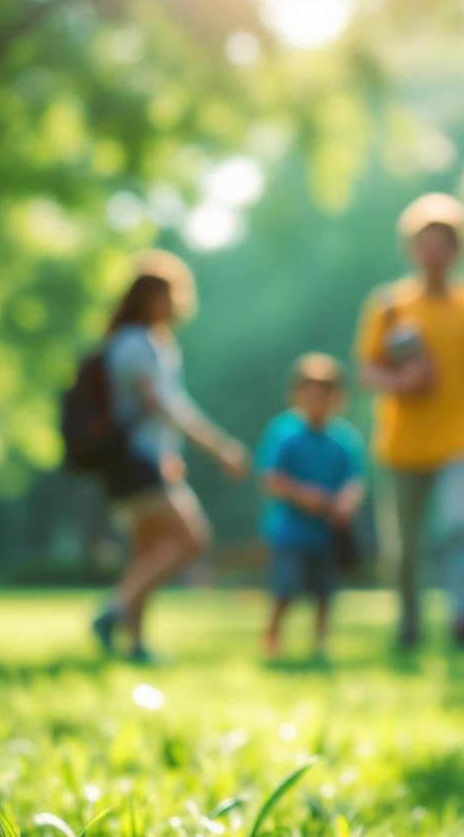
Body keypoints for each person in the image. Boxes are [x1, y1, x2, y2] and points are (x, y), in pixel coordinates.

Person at [354, 193, 464, 649]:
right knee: (402, 550)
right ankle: (408, 627)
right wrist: (402, 379)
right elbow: (366, 370)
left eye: (442, 242)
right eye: (424, 241)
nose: (432, 251)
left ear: (457, 248)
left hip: (459, 441)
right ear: (411, 247)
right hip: (401, 444)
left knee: (460, 527)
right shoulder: (388, 306)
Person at [91, 250, 249, 662]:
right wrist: (218, 447)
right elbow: (162, 406)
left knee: (150, 553)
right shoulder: (136, 345)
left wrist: (170, 451)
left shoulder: (154, 344)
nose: (170, 304)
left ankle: (137, 643)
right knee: (192, 538)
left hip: (148, 460)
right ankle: (113, 610)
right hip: (135, 463)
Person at [256, 353, 367, 659]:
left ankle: (320, 641)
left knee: (325, 592)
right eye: (309, 392)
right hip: (291, 532)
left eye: (324, 393)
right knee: (286, 589)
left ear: (337, 397)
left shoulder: (344, 439)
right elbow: (270, 478)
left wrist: (346, 503)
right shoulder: (284, 432)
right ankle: (272, 636)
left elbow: (355, 480)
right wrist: (304, 495)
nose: (316, 400)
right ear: (297, 394)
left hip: (326, 533)